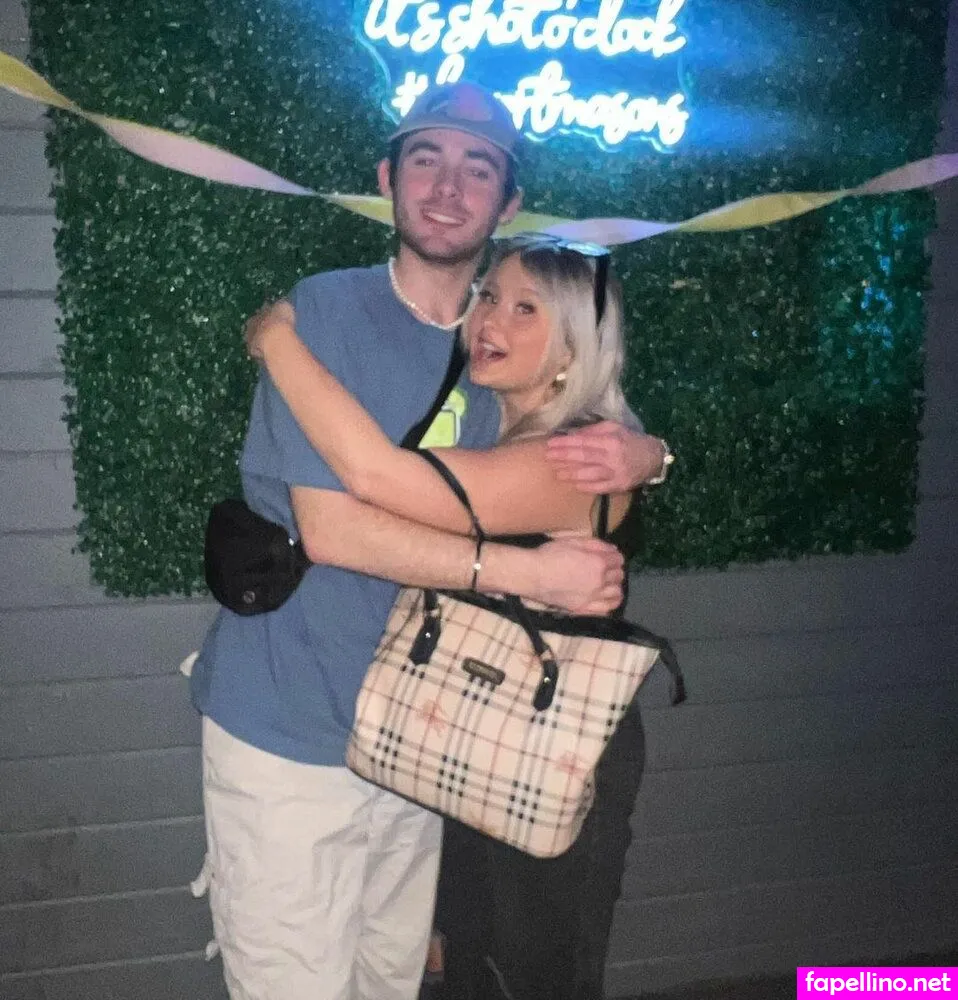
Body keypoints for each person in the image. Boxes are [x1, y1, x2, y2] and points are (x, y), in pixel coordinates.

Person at [190, 81, 668, 1000]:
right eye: (426, 159)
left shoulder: (509, 373)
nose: (448, 187)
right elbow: (333, 526)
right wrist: (527, 567)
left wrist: (651, 453)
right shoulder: (328, 311)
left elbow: (582, 445)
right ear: (388, 178)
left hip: (430, 740)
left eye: (477, 168)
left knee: (399, 980)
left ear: (509, 201)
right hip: (290, 726)